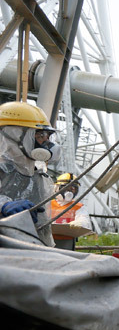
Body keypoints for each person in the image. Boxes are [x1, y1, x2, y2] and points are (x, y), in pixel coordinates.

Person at [0, 101, 60, 247]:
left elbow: (43, 226)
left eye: (47, 136)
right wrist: (3, 205)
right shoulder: (2, 170)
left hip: (31, 253)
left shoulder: (39, 175)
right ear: (14, 135)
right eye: (39, 135)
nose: (46, 142)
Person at [51, 172, 92, 250]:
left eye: (73, 189)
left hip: (67, 242)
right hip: (48, 240)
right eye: (66, 188)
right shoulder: (48, 204)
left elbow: (85, 221)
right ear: (56, 188)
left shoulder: (79, 207)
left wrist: (80, 223)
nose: (69, 192)